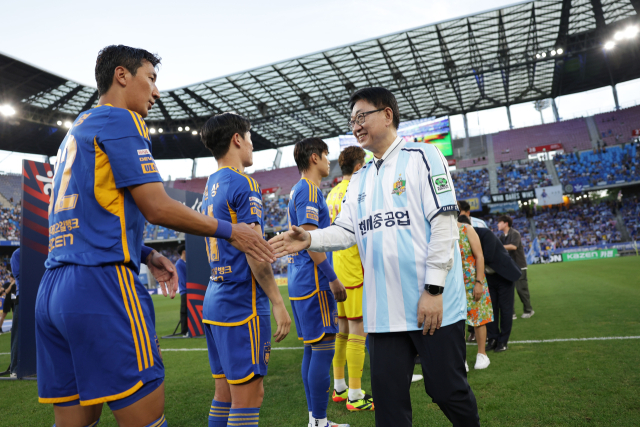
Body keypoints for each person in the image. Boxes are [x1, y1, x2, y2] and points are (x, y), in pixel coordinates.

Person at [35, 45, 274, 427]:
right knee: (147, 420)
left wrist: (145, 253)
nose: (157, 92)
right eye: (151, 79)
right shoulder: (122, 120)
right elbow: (158, 207)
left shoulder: (75, 131)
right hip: (103, 285)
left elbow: (85, 216)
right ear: (122, 75)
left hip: (52, 290)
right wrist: (234, 232)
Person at [271, 87, 480, 427]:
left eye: (362, 116)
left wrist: (434, 290)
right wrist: (310, 238)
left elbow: (445, 225)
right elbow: (345, 231)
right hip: (382, 313)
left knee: (447, 391)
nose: (355, 125)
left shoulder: (424, 157)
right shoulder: (360, 178)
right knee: (389, 406)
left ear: (387, 115)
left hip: (431, 306)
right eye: (352, 120)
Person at [199, 112, 291, 427]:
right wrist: (279, 303)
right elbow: (253, 252)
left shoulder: (211, 184)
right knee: (249, 398)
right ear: (237, 139)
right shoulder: (244, 183)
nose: (252, 145)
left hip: (214, 299)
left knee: (223, 395)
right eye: (250, 137)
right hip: (241, 303)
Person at [288, 137, 349, 427]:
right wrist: (333, 279)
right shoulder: (309, 191)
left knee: (312, 349)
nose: (329, 161)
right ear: (314, 157)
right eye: (326, 155)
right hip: (314, 282)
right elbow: (309, 240)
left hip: (300, 281)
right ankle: (321, 422)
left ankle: (315, 420)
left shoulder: (298, 189)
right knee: (323, 349)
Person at [326, 146, 374, 411]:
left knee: (342, 331)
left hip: (339, 269)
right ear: (358, 167)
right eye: (364, 163)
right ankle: (355, 395)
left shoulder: (332, 193)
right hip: (356, 269)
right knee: (358, 331)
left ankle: (340, 386)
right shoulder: (357, 191)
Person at [457, 215, 492, 370]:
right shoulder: (440, 232)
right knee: (456, 322)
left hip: (472, 282)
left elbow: (479, 256)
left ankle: (482, 354)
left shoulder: (467, 229)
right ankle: (461, 357)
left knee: (478, 317)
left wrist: (478, 282)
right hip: (453, 285)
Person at [497, 215, 534, 319]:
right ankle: (511, 313)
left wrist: (499, 247)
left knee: (521, 289)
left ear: (506, 223)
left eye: (499, 222)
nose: (497, 224)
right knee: (507, 290)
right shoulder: (501, 237)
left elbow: (514, 246)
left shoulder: (515, 233)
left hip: (519, 266)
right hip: (508, 267)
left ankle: (528, 310)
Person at [9, 247, 19, 377]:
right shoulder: (17, 254)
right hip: (22, 297)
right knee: (17, 333)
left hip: (38, 295)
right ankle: (15, 368)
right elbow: (18, 274)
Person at [175, 244, 188, 336]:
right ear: (184, 251)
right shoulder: (179, 264)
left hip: (188, 290)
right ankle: (184, 331)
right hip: (185, 291)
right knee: (184, 311)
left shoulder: (185, 263)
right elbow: (182, 279)